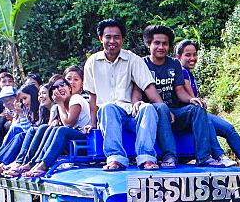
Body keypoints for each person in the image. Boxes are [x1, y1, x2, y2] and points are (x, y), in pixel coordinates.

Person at [83, 19, 161, 171]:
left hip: (130, 113)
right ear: (101, 39)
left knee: (149, 109)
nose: (112, 41)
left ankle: (146, 159)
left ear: (122, 39)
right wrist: (92, 123)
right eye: (108, 37)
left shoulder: (132, 59)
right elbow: (92, 97)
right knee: (106, 107)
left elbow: (148, 86)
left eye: (116, 37)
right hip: (108, 117)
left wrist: (163, 108)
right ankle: (116, 159)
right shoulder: (92, 62)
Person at [141, 25, 222, 168]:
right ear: (149, 44)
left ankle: (204, 157)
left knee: (197, 107)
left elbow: (179, 91)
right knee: (161, 107)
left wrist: (191, 99)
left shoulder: (174, 64)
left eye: (165, 43)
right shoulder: (142, 64)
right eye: (157, 43)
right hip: (154, 114)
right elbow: (136, 91)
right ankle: (169, 156)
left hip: (175, 112)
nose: (161, 47)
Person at [174, 39, 240, 169]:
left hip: (196, 112)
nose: (192, 58)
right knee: (210, 120)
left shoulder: (189, 74)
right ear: (178, 57)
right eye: (187, 55)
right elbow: (190, 97)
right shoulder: (182, 71)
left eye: (194, 54)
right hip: (187, 115)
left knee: (228, 129)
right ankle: (221, 156)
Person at [21, 74, 93, 178]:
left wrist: (60, 104)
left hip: (86, 142)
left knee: (62, 130)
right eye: (55, 88)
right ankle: (35, 162)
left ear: (69, 87)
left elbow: (68, 124)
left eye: (62, 85)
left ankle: (44, 165)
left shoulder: (75, 98)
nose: (59, 89)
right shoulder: (63, 104)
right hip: (74, 143)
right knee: (47, 128)